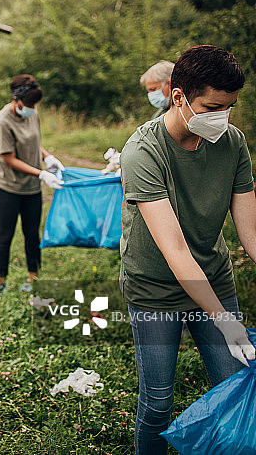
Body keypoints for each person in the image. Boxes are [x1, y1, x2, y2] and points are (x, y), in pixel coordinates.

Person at [119, 45, 256, 454]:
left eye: (229, 108)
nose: (222, 118)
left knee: (233, 389)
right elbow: (176, 251)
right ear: (178, 97)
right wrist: (226, 322)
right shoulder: (142, 151)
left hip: (213, 279)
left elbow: (250, 230)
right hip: (155, 289)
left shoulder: (232, 143)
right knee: (159, 402)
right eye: (213, 107)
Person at [0, 75, 64, 293]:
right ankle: (1, 283)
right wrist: (41, 173)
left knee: (32, 234)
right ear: (16, 99)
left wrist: (47, 157)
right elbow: (8, 158)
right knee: (6, 234)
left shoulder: (32, 113)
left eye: (33, 105)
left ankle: (34, 279)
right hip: (7, 187)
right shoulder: (2, 122)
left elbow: (36, 142)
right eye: (27, 104)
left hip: (31, 188)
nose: (31, 109)